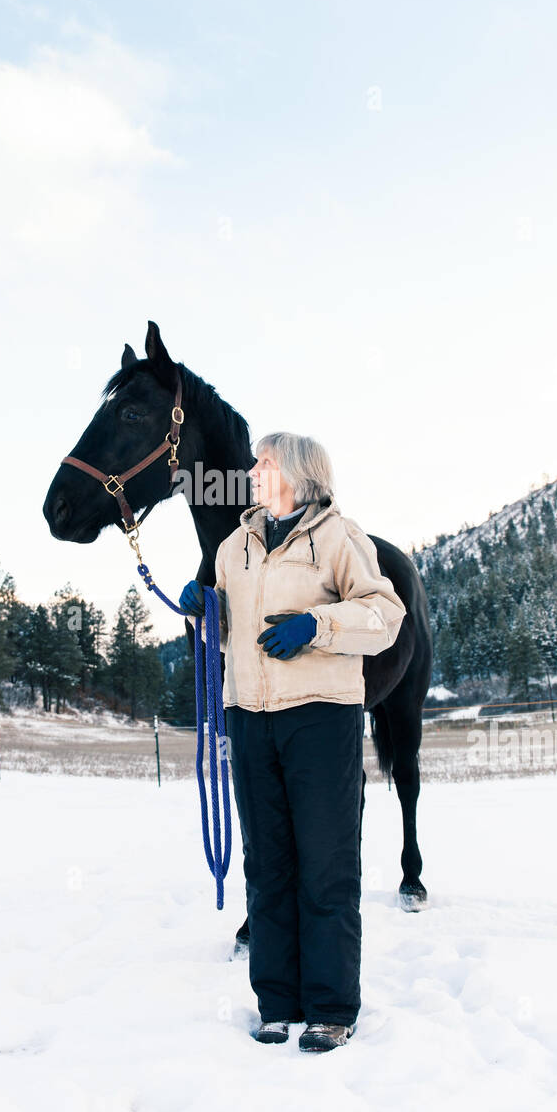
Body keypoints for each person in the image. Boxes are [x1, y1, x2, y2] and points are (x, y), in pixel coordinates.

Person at [180, 433, 407, 1053]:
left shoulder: (340, 538)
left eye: (265, 463)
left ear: (299, 474)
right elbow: (223, 636)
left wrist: (319, 624)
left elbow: (385, 616)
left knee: (327, 866)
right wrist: (204, 612)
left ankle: (332, 1008)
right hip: (250, 717)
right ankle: (277, 1003)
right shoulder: (235, 547)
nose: (252, 471)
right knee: (269, 866)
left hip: (321, 718)